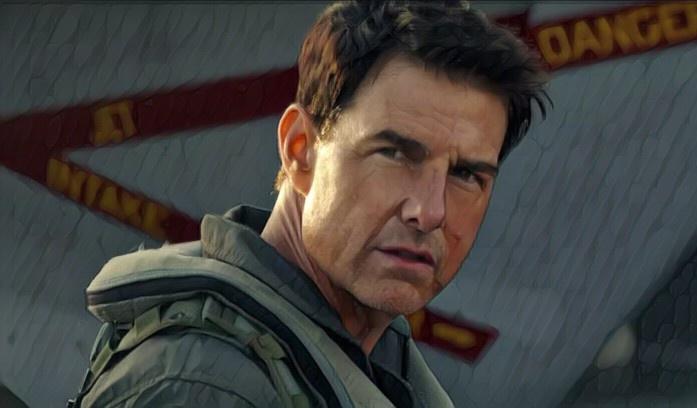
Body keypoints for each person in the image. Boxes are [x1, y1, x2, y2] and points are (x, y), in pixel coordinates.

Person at [69, 1, 549, 407]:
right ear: (301, 150)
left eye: (465, 174)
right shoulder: (203, 386)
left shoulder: (374, 363)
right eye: (396, 154)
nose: (429, 212)